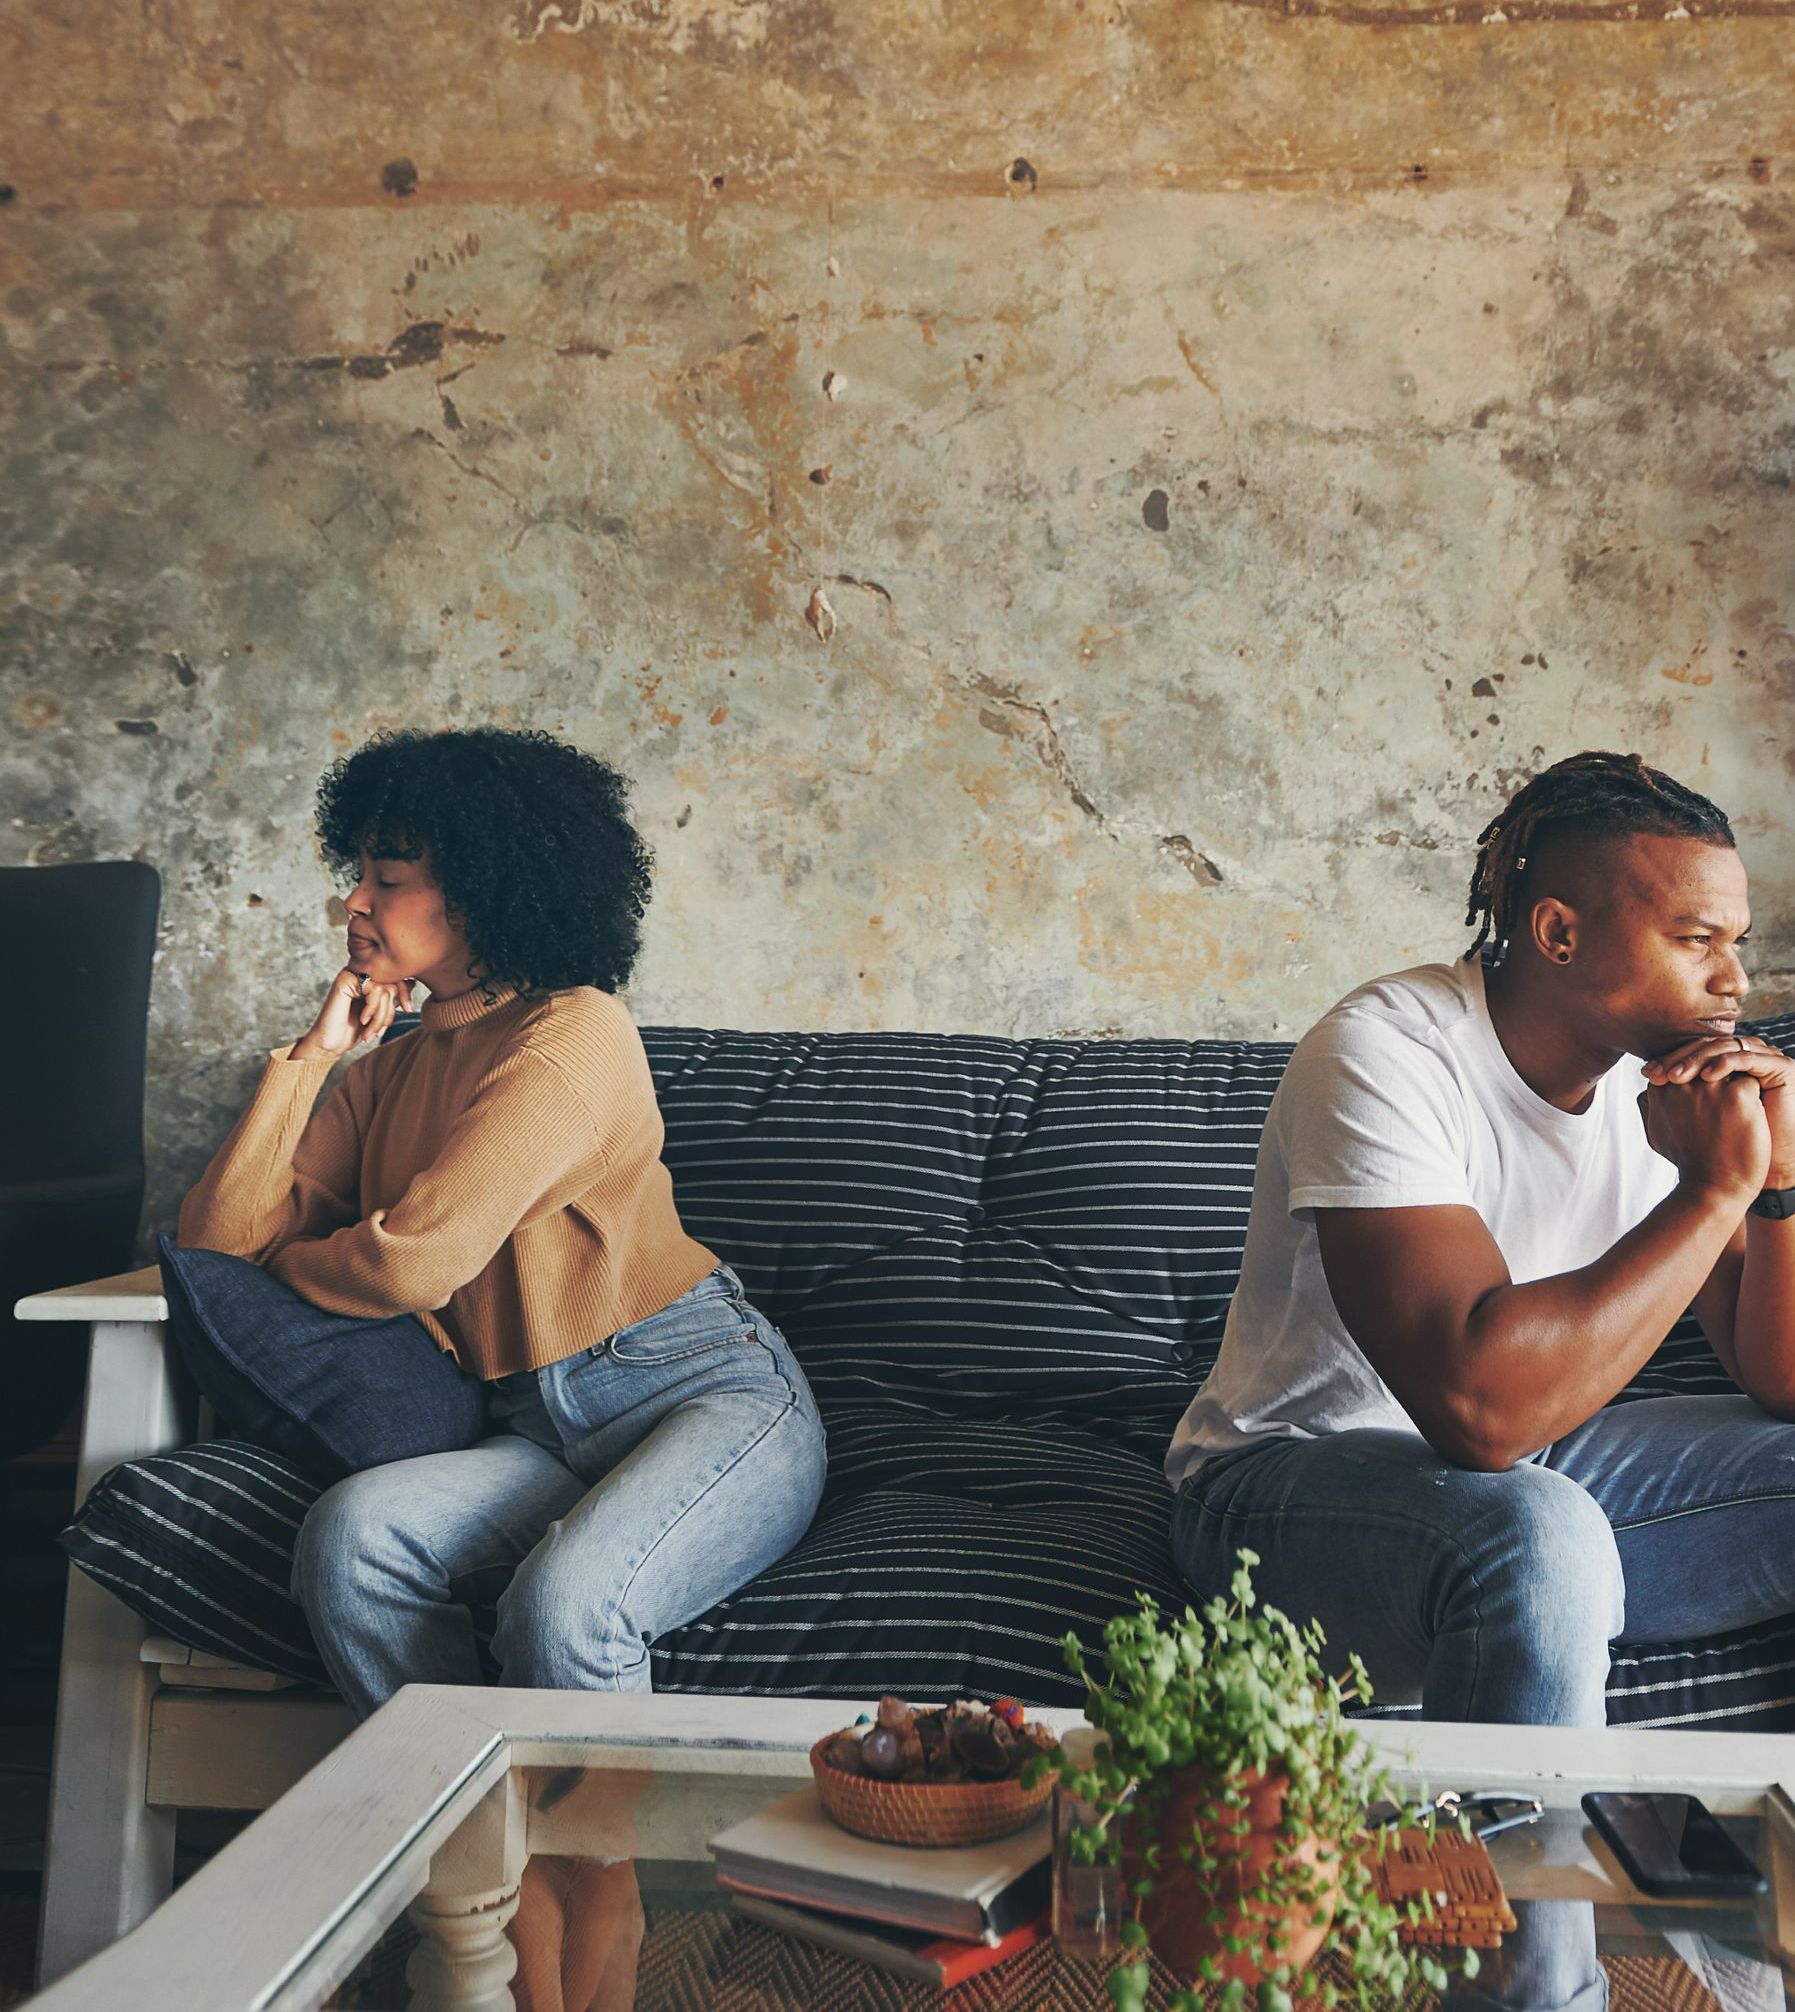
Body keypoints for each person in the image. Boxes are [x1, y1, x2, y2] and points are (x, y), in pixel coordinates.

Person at [179, 725, 828, 2011]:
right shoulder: (389, 1068)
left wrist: (312, 1257)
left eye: (390, 875)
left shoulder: (574, 1036)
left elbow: (414, 1259)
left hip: (704, 1389)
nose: (353, 902)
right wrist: (311, 1063)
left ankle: (608, 1900)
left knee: (566, 1606)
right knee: (353, 1538)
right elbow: (218, 1244)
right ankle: (492, 1865)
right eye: (352, 872)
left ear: (483, 888)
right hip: (533, 1424)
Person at [1167, 750, 1794, 2012]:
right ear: (1557, 931)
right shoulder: (1385, 1050)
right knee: (1535, 1533)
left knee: (1540, 1520)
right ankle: (1531, 1998)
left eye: (1739, 941)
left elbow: (1778, 1381)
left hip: (1524, 1481)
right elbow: (1481, 1408)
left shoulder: (1662, 1087)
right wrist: (1712, 1190)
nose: (1736, 979)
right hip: (1282, 1491)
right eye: (1696, 938)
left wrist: (1773, 1184)